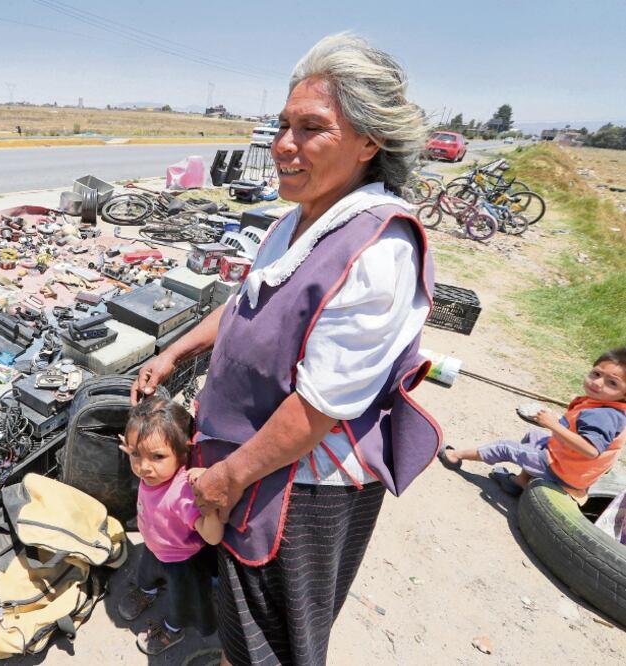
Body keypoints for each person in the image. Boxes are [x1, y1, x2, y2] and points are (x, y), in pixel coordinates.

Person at [131, 33, 439, 666]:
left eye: (311, 128)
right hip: (252, 462)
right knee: (242, 611)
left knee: (279, 632)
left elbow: (320, 406)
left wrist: (226, 478)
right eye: (282, 124)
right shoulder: (297, 219)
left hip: (302, 487)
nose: (283, 146)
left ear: (369, 142)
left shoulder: (379, 248)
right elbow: (248, 302)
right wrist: (176, 354)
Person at [114, 397, 223, 656]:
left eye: (157, 456)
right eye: (135, 454)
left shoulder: (183, 492)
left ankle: (174, 629)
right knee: (147, 571)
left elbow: (213, 537)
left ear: (184, 452)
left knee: (181, 599)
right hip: (155, 546)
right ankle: (148, 591)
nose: (143, 467)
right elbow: (144, 454)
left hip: (182, 561)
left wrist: (211, 508)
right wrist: (132, 448)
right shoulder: (153, 473)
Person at [439, 348, 626, 497]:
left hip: (563, 469)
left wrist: (553, 424)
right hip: (572, 463)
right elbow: (582, 429)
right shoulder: (607, 407)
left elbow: (591, 450)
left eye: (612, 383)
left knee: (505, 447)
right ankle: (519, 482)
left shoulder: (603, 415)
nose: (598, 383)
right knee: (534, 436)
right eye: (596, 374)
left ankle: (454, 456)